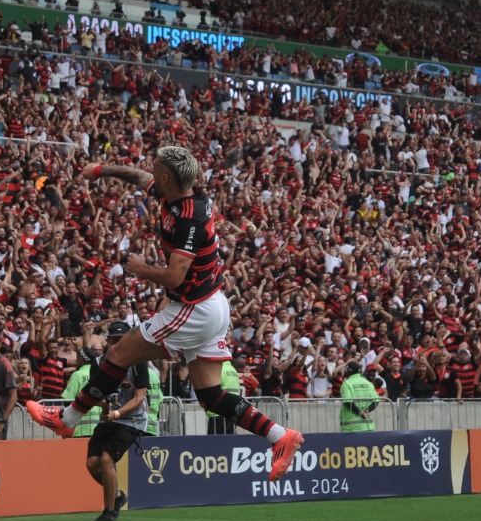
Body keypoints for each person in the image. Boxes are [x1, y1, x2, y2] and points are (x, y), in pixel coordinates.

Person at [27, 148, 303, 481]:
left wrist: (140, 268)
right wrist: (102, 169)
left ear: (166, 178)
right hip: (209, 304)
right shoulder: (170, 192)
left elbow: (174, 276)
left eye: (155, 169)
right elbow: (139, 176)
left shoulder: (191, 217)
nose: (150, 173)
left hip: (194, 309)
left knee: (117, 354)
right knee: (210, 395)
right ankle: (279, 436)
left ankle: (67, 419)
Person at [82, 321, 150, 521]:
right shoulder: (97, 364)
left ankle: (110, 510)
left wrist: (116, 414)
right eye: (115, 340)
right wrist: (105, 408)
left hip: (132, 420)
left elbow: (139, 399)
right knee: (92, 463)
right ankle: (118, 495)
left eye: (123, 340)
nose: (119, 344)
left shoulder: (138, 361)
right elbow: (98, 394)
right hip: (110, 418)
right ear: (108, 341)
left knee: (106, 459)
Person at [339, 361, 379, 432]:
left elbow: (348, 402)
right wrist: (366, 411)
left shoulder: (347, 384)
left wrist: (360, 412)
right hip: (368, 426)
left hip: (351, 427)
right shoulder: (368, 383)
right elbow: (376, 401)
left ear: (348, 370)